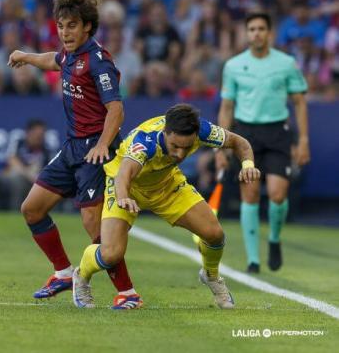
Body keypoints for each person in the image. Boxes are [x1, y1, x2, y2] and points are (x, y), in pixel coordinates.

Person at [8, 0, 142, 309]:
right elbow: (51, 61)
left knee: (94, 226)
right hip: (72, 147)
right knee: (32, 209)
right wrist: (26, 56)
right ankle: (64, 272)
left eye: (71, 25)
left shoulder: (98, 62)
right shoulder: (69, 55)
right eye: (61, 25)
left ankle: (127, 293)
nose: (65, 32)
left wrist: (102, 144)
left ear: (87, 27)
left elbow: (116, 110)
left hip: (98, 151)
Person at [73, 104, 260, 310]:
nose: (180, 154)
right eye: (175, 146)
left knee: (215, 234)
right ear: (165, 133)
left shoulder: (203, 130)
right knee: (111, 254)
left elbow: (240, 142)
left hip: (167, 185)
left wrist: (248, 166)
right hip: (127, 189)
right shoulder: (145, 141)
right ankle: (81, 275)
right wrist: (124, 198)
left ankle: (211, 275)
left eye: (187, 148)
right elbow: (124, 173)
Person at [216, 13, 310, 274]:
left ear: (270, 33)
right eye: (252, 29)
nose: (256, 33)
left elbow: (300, 102)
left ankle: (275, 238)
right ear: (246, 34)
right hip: (246, 135)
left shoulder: (286, 63)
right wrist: (222, 145)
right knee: (251, 193)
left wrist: (302, 140)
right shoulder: (234, 65)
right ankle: (253, 260)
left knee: (278, 195)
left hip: (278, 132)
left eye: (261, 29)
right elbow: (226, 106)